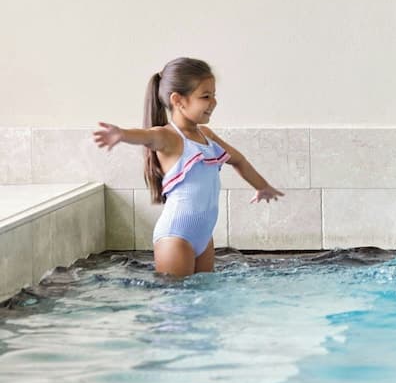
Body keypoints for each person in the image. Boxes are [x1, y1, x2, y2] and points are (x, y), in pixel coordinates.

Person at [93, 57, 284, 277]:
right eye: (205, 96)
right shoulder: (168, 137)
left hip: (204, 236)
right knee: (179, 296)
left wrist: (261, 186)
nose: (213, 102)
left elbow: (238, 160)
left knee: (203, 293)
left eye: (214, 95)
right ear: (178, 100)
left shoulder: (207, 136)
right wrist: (122, 134)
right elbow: (146, 136)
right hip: (176, 236)